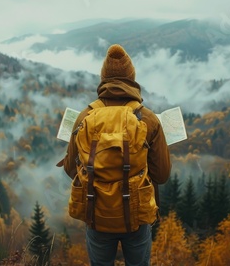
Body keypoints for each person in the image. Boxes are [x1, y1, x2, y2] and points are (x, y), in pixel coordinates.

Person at [61, 44, 171, 265]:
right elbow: (162, 175)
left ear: (103, 78)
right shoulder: (148, 119)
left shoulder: (85, 116)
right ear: (132, 78)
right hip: (136, 216)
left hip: (97, 212)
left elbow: (70, 169)